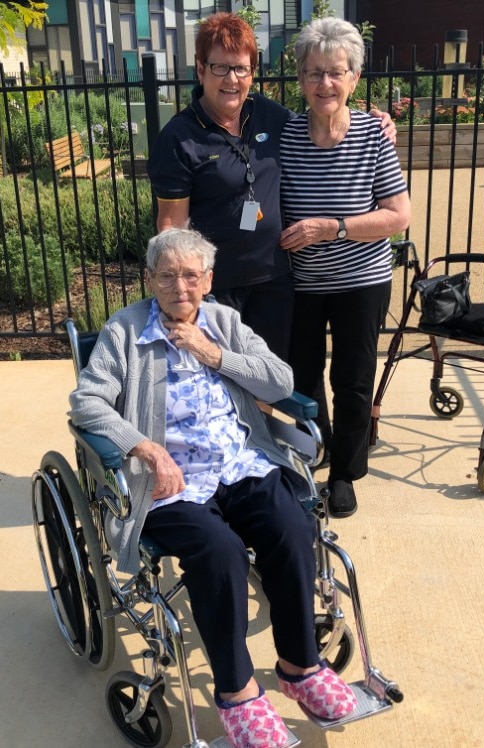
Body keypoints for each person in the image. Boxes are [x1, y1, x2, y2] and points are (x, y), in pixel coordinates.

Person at [68, 228, 359, 748]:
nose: (180, 286)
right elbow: (88, 403)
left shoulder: (224, 322)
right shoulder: (125, 331)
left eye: (190, 275)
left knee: (292, 525)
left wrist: (214, 354)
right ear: (151, 280)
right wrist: (146, 449)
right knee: (220, 551)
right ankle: (238, 694)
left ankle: (299, 666)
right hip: (170, 482)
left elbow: (280, 381)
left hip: (240, 462)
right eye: (167, 276)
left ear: (208, 279)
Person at [147, 11, 396, 361]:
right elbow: (171, 226)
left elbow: (322, 116)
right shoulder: (178, 138)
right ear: (200, 70)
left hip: (274, 282)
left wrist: (372, 120)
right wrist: (185, 290)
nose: (231, 79)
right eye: (220, 67)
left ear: (252, 73)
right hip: (217, 287)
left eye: (241, 69)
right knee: (222, 380)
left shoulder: (268, 115)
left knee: (271, 381)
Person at [279, 17, 411, 519]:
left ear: (354, 78)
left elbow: (399, 215)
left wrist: (330, 227)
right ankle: (322, 449)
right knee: (302, 377)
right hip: (303, 284)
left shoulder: (374, 136)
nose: (325, 84)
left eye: (336, 72)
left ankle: (345, 475)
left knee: (353, 380)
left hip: (362, 281)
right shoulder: (284, 135)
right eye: (314, 73)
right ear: (300, 80)